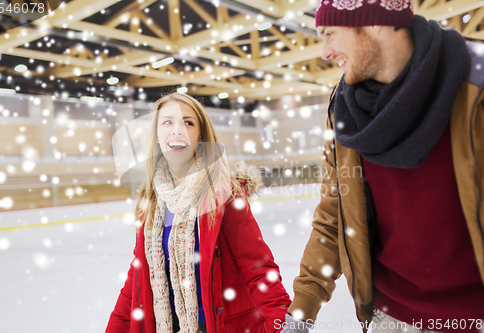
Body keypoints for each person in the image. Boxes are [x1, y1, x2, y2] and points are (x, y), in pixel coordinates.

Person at [282, 0, 484, 332]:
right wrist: (303, 307)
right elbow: (335, 216)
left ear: (374, 21)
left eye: (330, 34)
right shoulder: (344, 111)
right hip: (391, 318)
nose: (324, 52)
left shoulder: (474, 84)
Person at [106, 92, 291, 333]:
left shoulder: (223, 193)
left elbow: (257, 268)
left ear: (201, 136)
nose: (177, 130)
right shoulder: (151, 201)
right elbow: (138, 279)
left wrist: (281, 324)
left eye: (188, 122)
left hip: (216, 326)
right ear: (157, 135)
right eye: (167, 122)